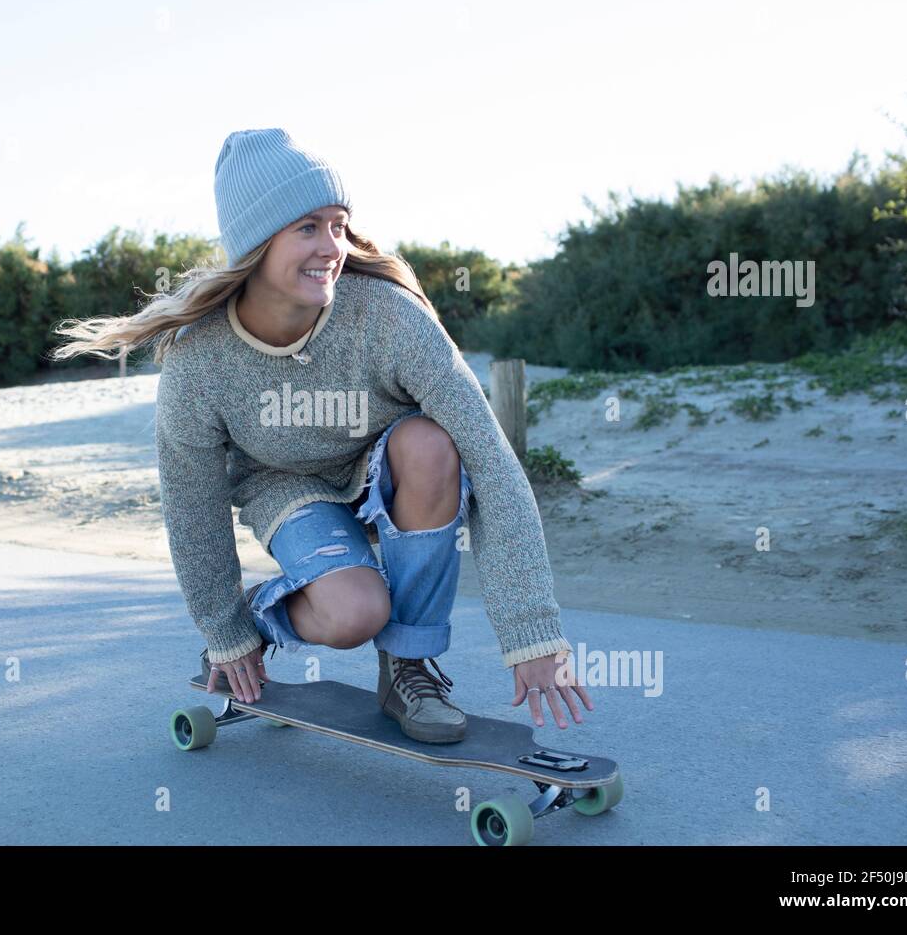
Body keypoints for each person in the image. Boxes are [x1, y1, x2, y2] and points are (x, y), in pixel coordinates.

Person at [49, 127, 592, 742]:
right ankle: (270, 610)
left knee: (431, 442)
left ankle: (408, 668)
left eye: (338, 224)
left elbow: (491, 463)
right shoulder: (200, 359)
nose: (331, 246)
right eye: (307, 227)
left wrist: (530, 631)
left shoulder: (386, 315)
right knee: (354, 613)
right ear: (256, 244)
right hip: (287, 489)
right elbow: (192, 507)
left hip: (391, 475)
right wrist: (224, 631)